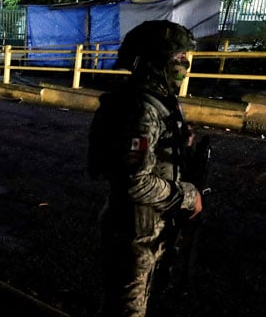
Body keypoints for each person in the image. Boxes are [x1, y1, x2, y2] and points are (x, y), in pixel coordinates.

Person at [87, 20, 203, 316]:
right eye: (177, 57)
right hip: (135, 232)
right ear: (155, 59)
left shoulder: (155, 100)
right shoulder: (142, 106)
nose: (185, 64)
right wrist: (188, 196)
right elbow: (134, 181)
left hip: (148, 227)